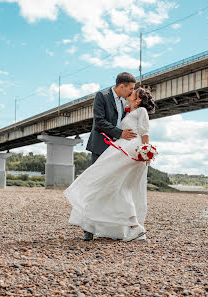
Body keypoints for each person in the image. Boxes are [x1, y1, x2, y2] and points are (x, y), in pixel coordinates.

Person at [64, 88, 155, 242]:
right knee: (114, 185)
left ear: (138, 100)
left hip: (131, 150)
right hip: (120, 147)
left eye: (134, 92)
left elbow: (145, 133)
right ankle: (128, 226)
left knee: (116, 185)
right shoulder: (127, 112)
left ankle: (134, 226)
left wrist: (146, 151)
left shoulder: (141, 112)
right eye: (130, 89)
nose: (131, 92)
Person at [82, 72, 138, 241]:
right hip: (100, 147)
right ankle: (88, 229)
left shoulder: (123, 103)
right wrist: (120, 133)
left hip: (115, 151)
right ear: (122, 86)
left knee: (113, 188)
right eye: (131, 88)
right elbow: (99, 121)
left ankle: (110, 226)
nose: (131, 92)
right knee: (95, 187)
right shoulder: (102, 96)